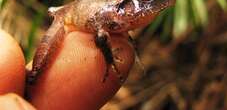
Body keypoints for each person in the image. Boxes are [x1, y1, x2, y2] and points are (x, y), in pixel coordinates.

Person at [0, 29, 134, 109]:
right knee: (33, 75)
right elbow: (99, 38)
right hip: (66, 19)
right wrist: (109, 58)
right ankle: (31, 78)